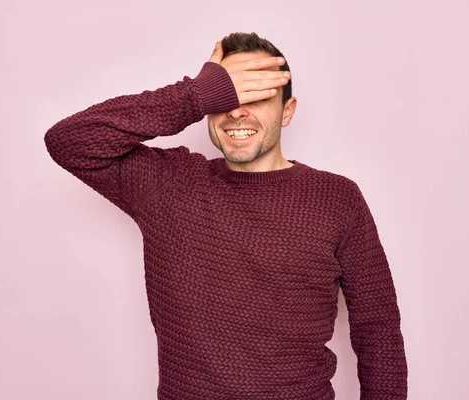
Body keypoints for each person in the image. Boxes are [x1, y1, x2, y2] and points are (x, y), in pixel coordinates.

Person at [44, 32, 408, 400]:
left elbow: (376, 329)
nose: (236, 111)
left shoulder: (337, 198)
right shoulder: (168, 183)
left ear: (288, 110)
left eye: (256, 96)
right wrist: (194, 95)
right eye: (227, 96)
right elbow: (68, 141)